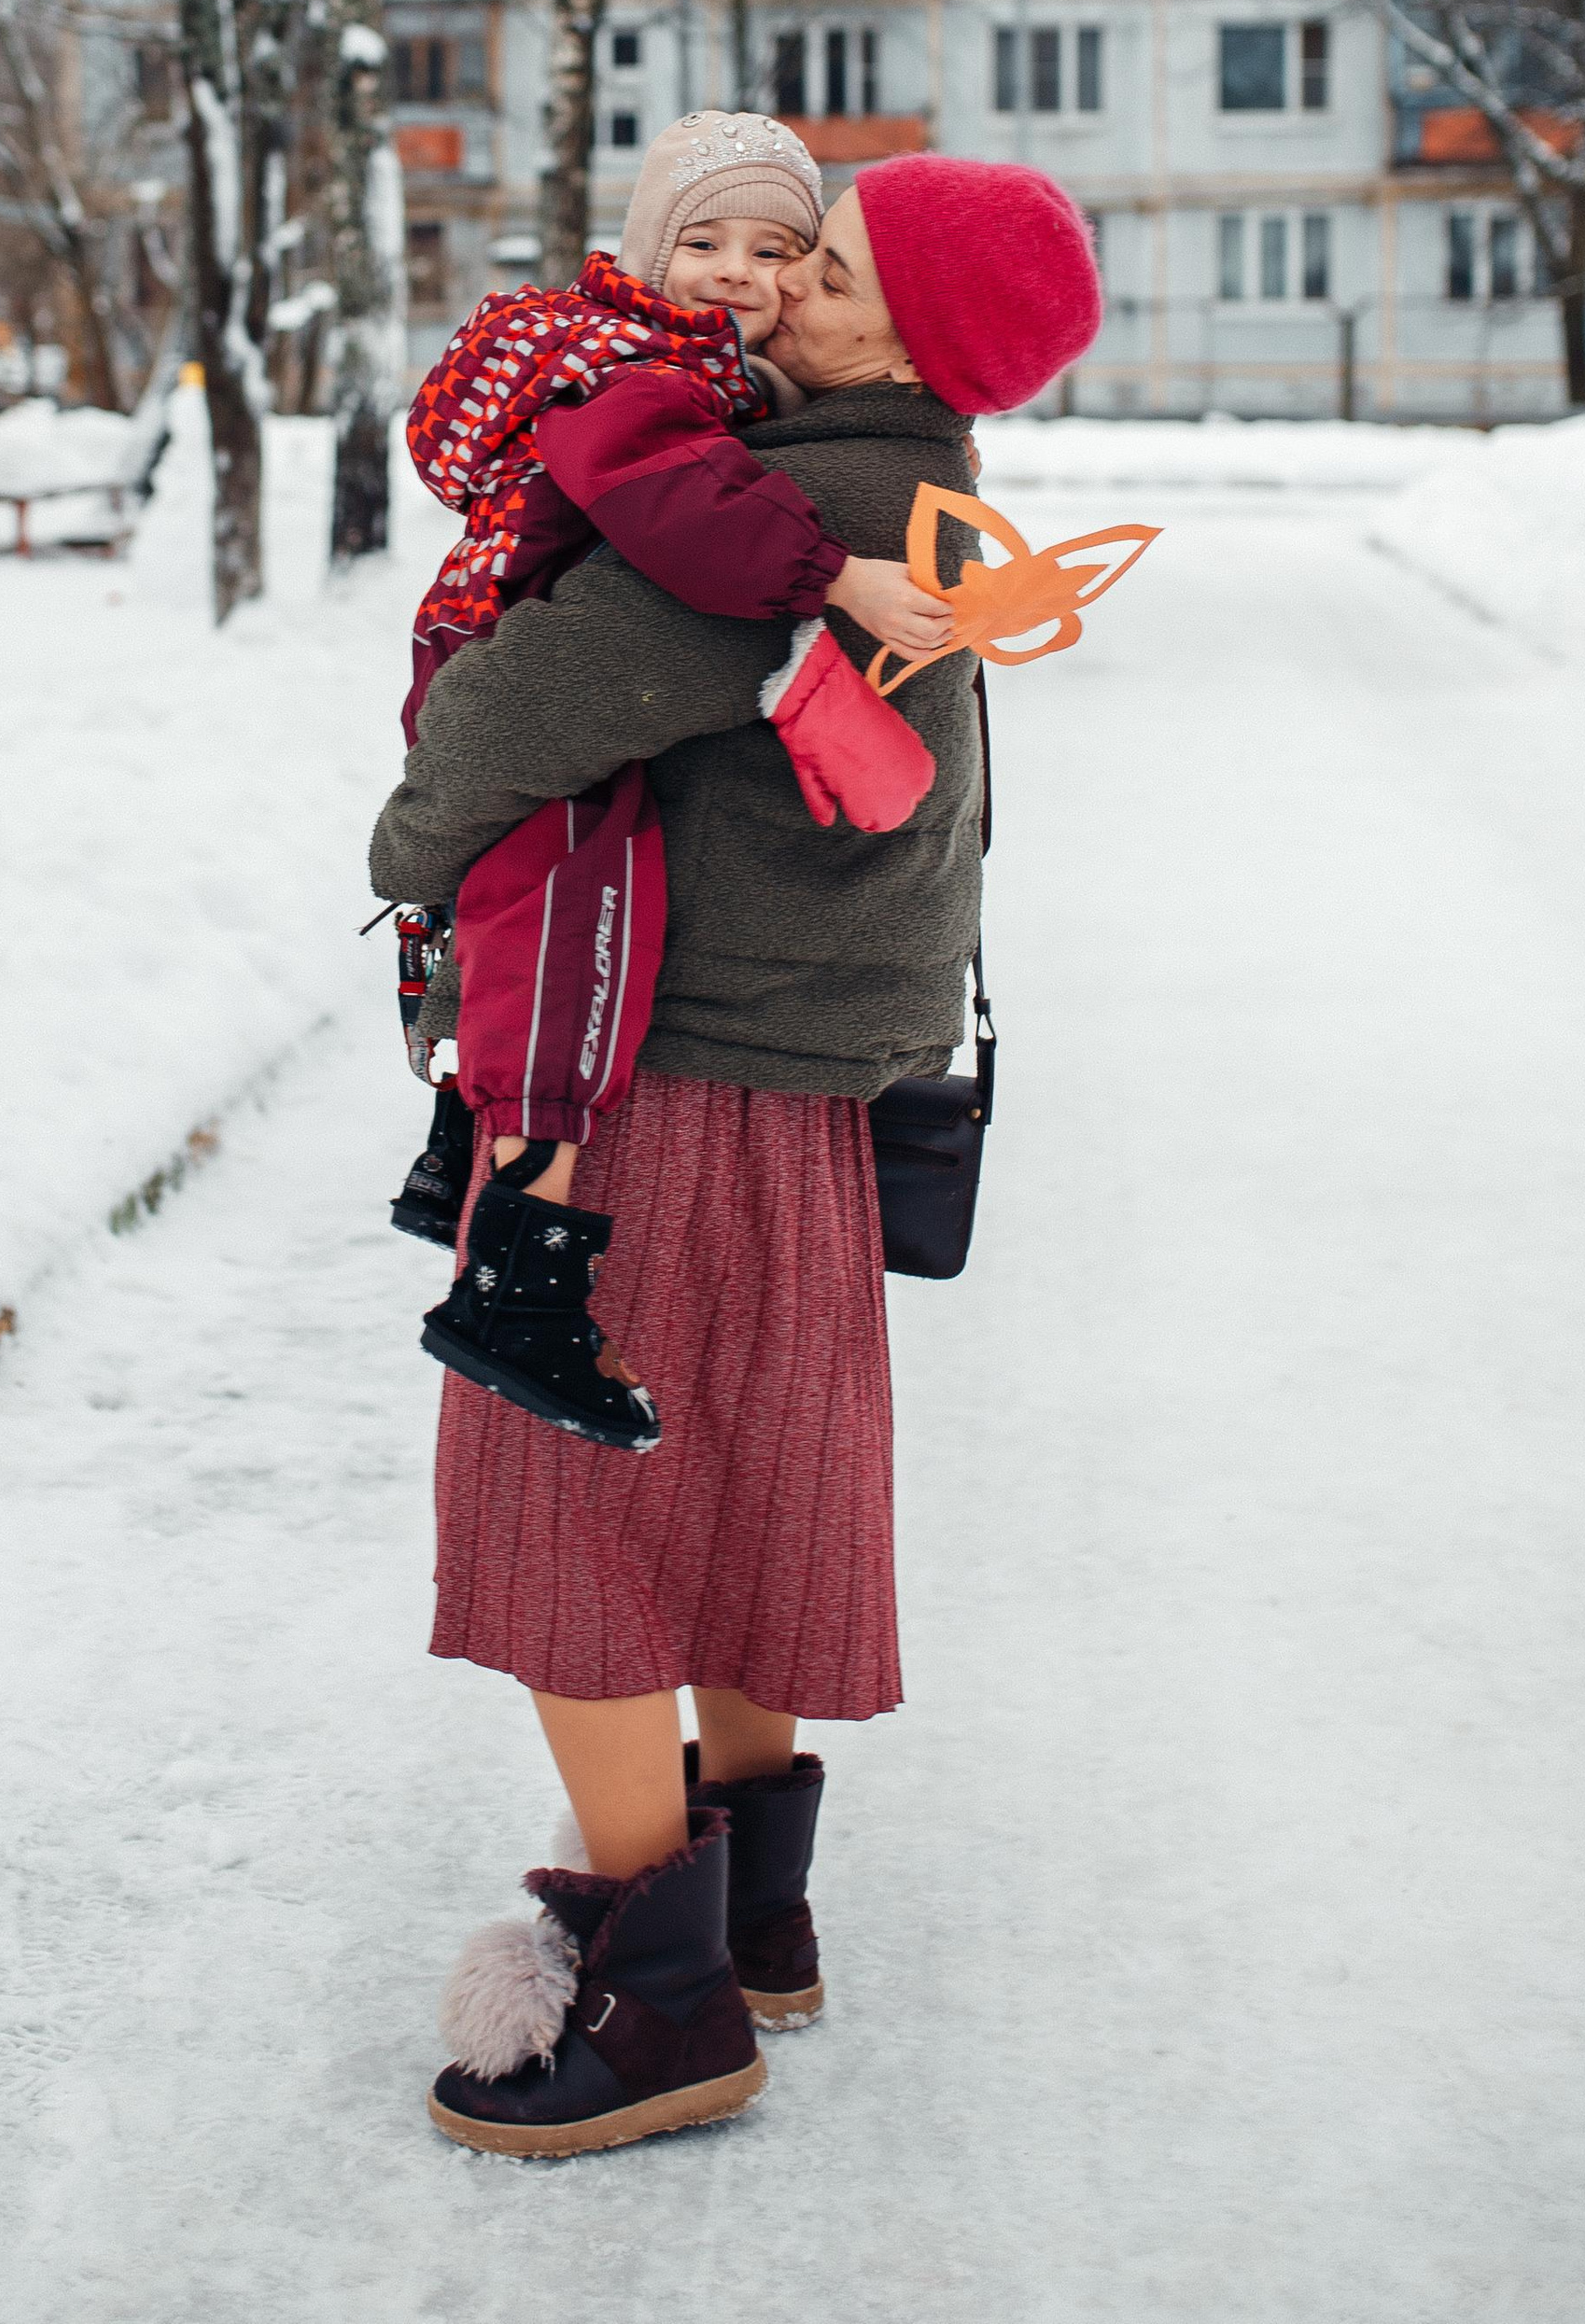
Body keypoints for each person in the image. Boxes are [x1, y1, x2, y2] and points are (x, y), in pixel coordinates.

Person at [369, 153, 1102, 2162]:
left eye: (824, 266)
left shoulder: (800, 508)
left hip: (653, 1084)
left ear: (897, 333)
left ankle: (656, 1993)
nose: (772, 286)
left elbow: (533, 702)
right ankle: (753, 1904)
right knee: (743, 1471)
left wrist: (402, 853)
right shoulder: (928, 495)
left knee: (564, 1502)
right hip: (795, 1092)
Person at [392, 115, 956, 1453]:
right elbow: (670, 504)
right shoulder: (629, 374)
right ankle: (514, 1280)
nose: (737, 271)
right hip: (492, 647)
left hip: (527, 649)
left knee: (544, 927)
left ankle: (452, 1159)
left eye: (780, 250)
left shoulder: (719, 382)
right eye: (701, 242)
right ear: (645, 252)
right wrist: (836, 573)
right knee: (569, 933)